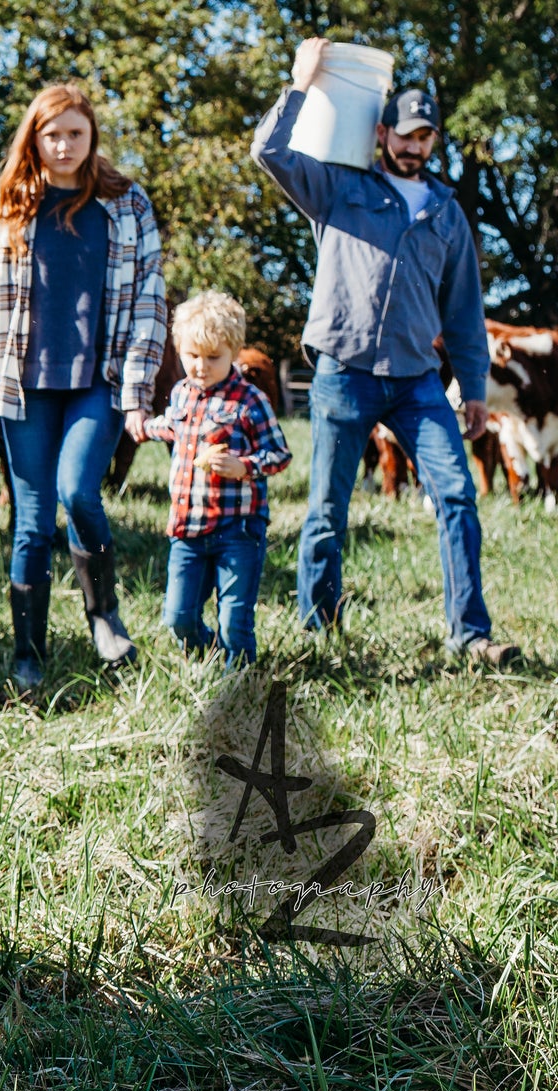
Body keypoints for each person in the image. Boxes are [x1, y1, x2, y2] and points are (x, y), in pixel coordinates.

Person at [251, 39, 518, 665]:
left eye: (424, 136)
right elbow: (270, 151)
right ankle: (318, 635)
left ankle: (470, 635)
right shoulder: (338, 189)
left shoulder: (448, 216)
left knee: (456, 495)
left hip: (419, 383)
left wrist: (474, 388)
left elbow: (462, 313)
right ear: (381, 133)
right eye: (404, 134)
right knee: (327, 509)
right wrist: (300, 83)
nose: (413, 146)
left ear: (432, 141)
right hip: (343, 374)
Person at [0, 83, 169, 690]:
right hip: (21, 388)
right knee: (31, 522)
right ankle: (28, 654)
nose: (64, 145)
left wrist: (136, 391)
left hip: (97, 382)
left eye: (75, 133)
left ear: (91, 136)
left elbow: (150, 301)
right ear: (35, 139)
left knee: (80, 492)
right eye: (52, 134)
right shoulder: (10, 208)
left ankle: (104, 616)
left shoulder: (126, 204)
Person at [135, 292, 291, 666]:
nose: (201, 366)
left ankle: (238, 681)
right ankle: (205, 649)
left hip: (237, 529)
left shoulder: (249, 401)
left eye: (213, 357)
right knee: (177, 617)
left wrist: (246, 466)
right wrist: (143, 427)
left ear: (234, 352)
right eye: (192, 356)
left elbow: (279, 453)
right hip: (187, 529)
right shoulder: (181, 394)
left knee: (235, 618)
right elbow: (172, 426)